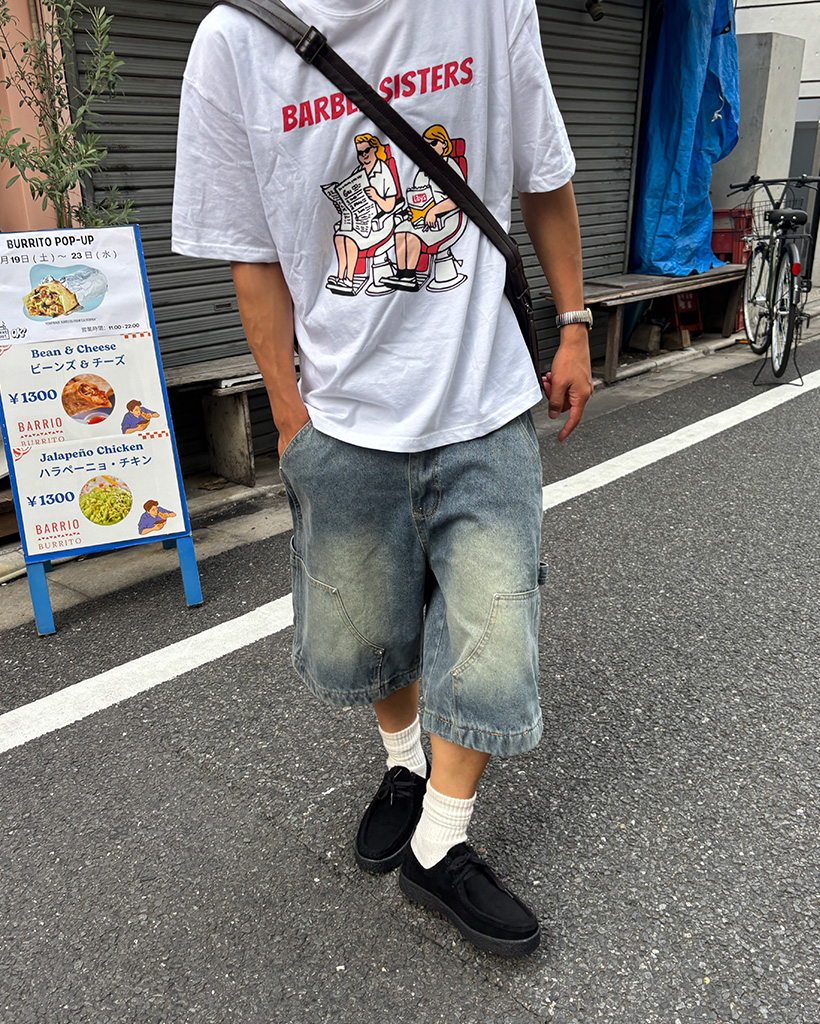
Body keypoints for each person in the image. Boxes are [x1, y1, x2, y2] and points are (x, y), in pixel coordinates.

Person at [172, 0, 593, 958]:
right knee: (369, 630)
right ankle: (404, 762)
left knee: (493, 636)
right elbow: (251, 254)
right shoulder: (235, 40)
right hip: (341, 416)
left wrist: (573, 326)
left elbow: (543, 172)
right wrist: (290, 418)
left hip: (485, 401)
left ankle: (440, 841)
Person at [383, 123, 465, 292]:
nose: (430, 148)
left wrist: (434, 211)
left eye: (433, 143)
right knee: (400, 230)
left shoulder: (450, 165)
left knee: (413, 234)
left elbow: (460, 199)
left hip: (448, 218)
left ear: (444, 144)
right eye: (426, 145)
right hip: (424, 219)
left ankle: (409, 276)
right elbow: (418, 198)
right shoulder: (422, 171)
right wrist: (411, 211)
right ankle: (402, 274)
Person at [324, 133, 398, 294]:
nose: (364, 156)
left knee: (350, 239)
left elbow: (390, 205)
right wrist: (341, 205)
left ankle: (349, 280)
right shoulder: (358, 172)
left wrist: (376, 197)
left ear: (375, 149)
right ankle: (341, 276)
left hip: (380, 222)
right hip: (360, 221)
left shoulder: (383, 171)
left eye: (367, 151)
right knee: (339, 237)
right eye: (360, 153)